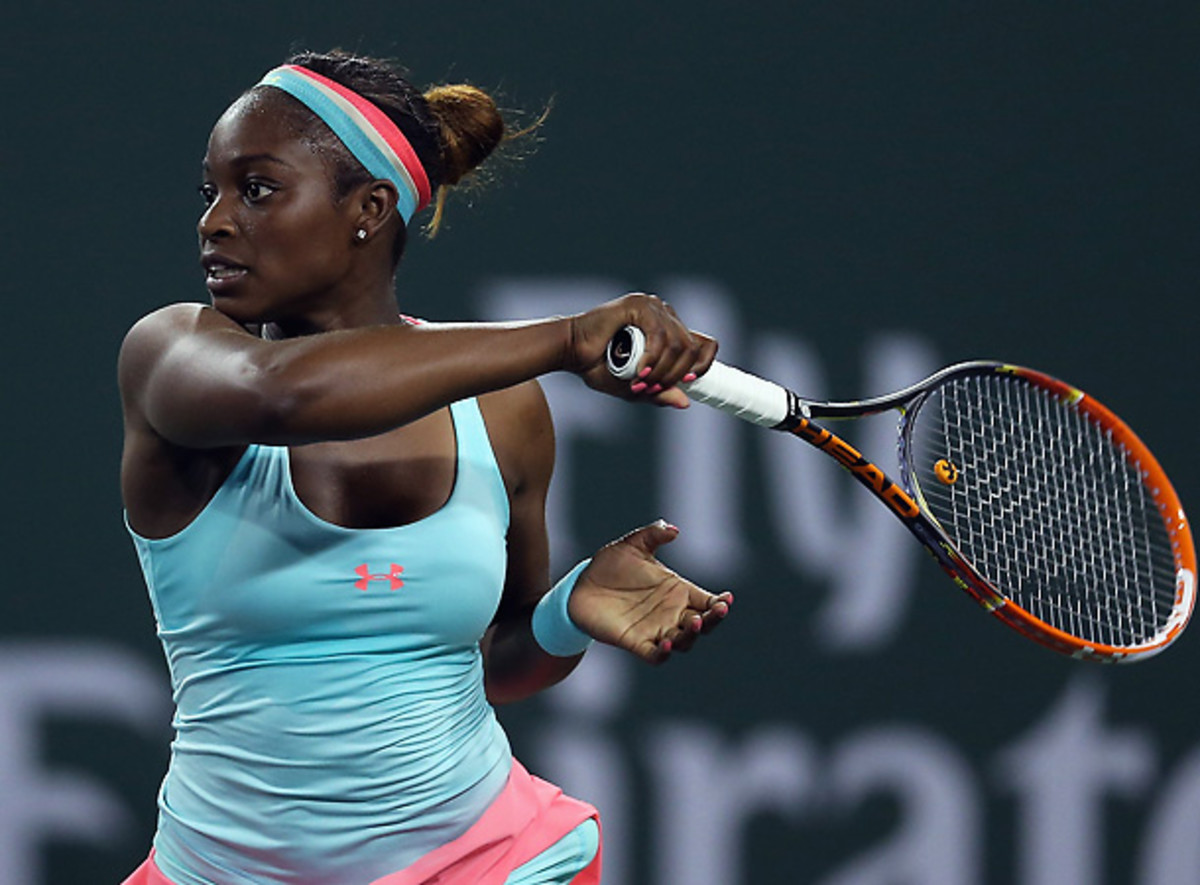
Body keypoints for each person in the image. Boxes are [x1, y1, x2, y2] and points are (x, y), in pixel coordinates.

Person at [117, 49, 731, 885]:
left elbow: (498, 659)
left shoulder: (505, 408)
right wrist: (564, 339)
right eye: (211, 192)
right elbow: (285, 395)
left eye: (256, 189)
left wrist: (567, 614)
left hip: (485, 860)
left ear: (369, 208)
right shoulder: (169, 356)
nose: (215, 221)